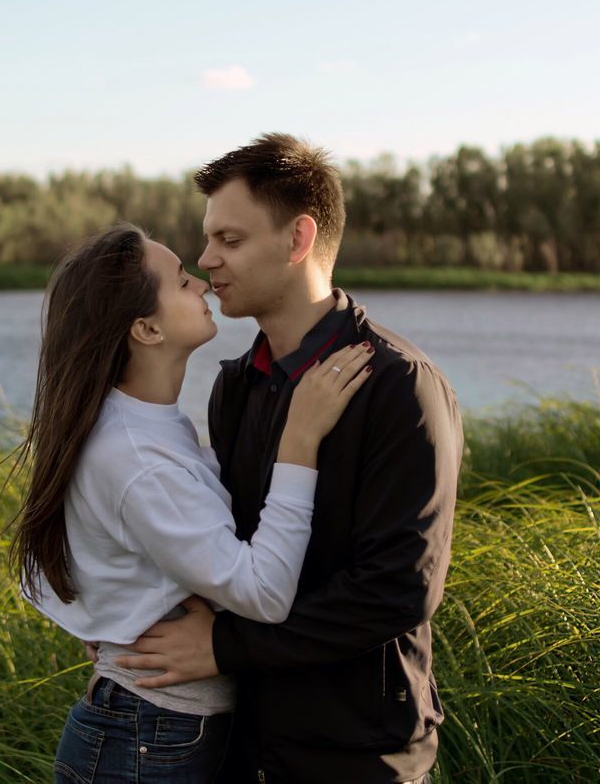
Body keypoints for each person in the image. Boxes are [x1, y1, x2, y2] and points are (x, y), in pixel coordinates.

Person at [114, 134, 463, 783]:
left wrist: (224, 647)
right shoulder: (235, 385)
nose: (206, 258)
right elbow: (233, 551)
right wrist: (124, 614)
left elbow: (400, 587)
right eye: (209, 239)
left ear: (298, 239)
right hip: (244, 740)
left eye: (230, 240)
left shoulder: (399, 387)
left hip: (358, 753)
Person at [9, 222, 375, 783]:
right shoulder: (137, 456)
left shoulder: (139, 425)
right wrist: (300, 442)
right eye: (181, 282)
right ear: (146, 328)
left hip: (149, 731)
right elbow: (265, 593)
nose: (202, 285)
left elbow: (62, 560)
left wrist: (112, 616)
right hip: (145, 740)